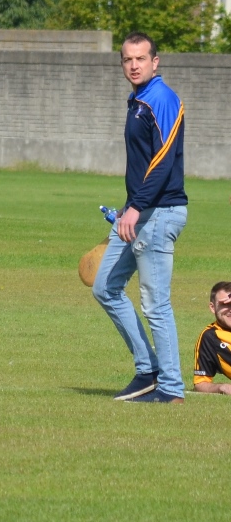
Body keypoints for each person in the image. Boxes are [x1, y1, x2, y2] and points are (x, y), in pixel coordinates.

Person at [92, 32, 188, 404]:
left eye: (140, 59)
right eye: (127, 59)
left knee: (155, 304)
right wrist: (128, 208)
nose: (133, 65)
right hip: (139, 210)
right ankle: (148, 370)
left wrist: (137, 207)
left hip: (159, 213)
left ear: (155, 62)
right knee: (105, 287)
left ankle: (171, 388)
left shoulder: (161, 98)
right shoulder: (138, 100)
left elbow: (163, 161)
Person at [193, 282, 231, 395]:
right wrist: (222, 388)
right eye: (224, 305)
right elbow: (200, 383)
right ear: (212, 307)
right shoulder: (210, 338)